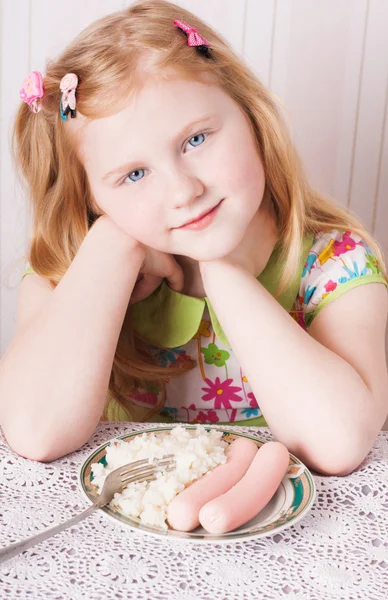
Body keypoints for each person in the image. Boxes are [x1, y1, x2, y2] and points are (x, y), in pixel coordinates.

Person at [0, 0, 387, 477]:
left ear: (251, 116)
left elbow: (339, 443)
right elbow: (35, 431)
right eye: (134, 174)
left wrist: (223, 270)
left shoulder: (337, 264)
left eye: (196, 140)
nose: (185, 191)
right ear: (94, 198)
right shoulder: (66, 272)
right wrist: (110, 247)